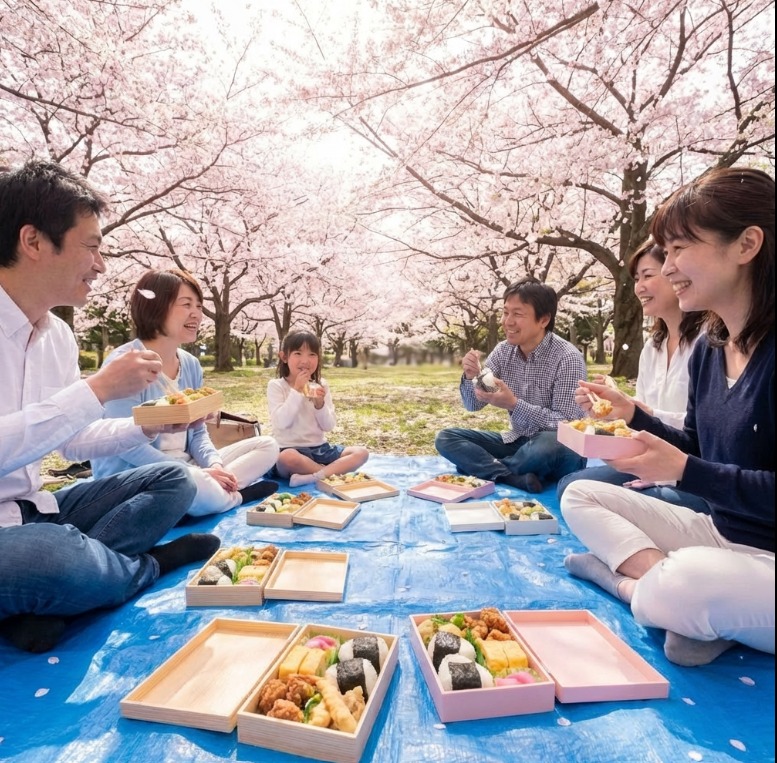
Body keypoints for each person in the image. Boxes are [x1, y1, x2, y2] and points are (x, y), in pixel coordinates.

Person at [0, 160, 220, 653]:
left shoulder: (57, 336)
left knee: (175, 479)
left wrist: (147, 427)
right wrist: (96, 390)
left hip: (37, 509)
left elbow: (71, 442)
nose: (101, 265)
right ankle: (146, 566)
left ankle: (55, 595)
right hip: (25, 537)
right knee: (51, 555)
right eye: (92, 247)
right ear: (33, 241)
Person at [560, 167, 774, 667]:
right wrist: (635, 416)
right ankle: (693, 607)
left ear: (746, 244)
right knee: (580, 493)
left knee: (688, 581)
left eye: (679, 248)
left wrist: (683, 472)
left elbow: (691, 466)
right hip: (723, 534)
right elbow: (696, 447)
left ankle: (633, 587)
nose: (669, 266)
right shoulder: (712, 351)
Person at [91, 269, 280, 514]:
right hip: (138, 475)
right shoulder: (126, 364)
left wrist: (214, 465)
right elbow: (127, 446)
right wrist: (194, 472)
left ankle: (210, 495)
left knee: (268, 446)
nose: (197, 314)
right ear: (156, 307)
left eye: (199, 306)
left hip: (189, 467)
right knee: (194, 482)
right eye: (186, 304)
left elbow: (198, 431)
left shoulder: (190, 364)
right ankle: (233, 497)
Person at [556, 240, 709, 511]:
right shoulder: (653, 346)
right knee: (570, 486)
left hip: (693, 468)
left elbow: (704, 432)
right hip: (648, 460)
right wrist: (611, 414)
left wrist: (645, 413)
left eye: (648, 275)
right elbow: (638, 423)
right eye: (637, 279)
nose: (639, 287)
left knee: (631, 503)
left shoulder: (709, 343)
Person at [435, 279, 587, 493]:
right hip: (518, 441)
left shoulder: (568, 357)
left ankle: (485, 468)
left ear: (543, 320)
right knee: (446, 438)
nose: (508, 322)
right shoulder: (503, 351)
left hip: (560, 447)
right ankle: (512, 476)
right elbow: (473, 405)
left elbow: (568, 424)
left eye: (517, 314)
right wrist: (471, 376)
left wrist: (514, 404)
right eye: (506, 312)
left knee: (547, 444)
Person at [268, 330, 369, 486]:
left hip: (320, 450)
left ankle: (314, 476)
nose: (305, 360)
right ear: (284, 357)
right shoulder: (276, 386)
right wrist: (297, 390)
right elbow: (282, 423)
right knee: (287, 458)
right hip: (289, 449)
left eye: (312, 354)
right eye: (298, 353)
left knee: (361, 453)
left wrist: (319, 405)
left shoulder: (321, 385)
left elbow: (328, 426)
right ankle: (330, 473)